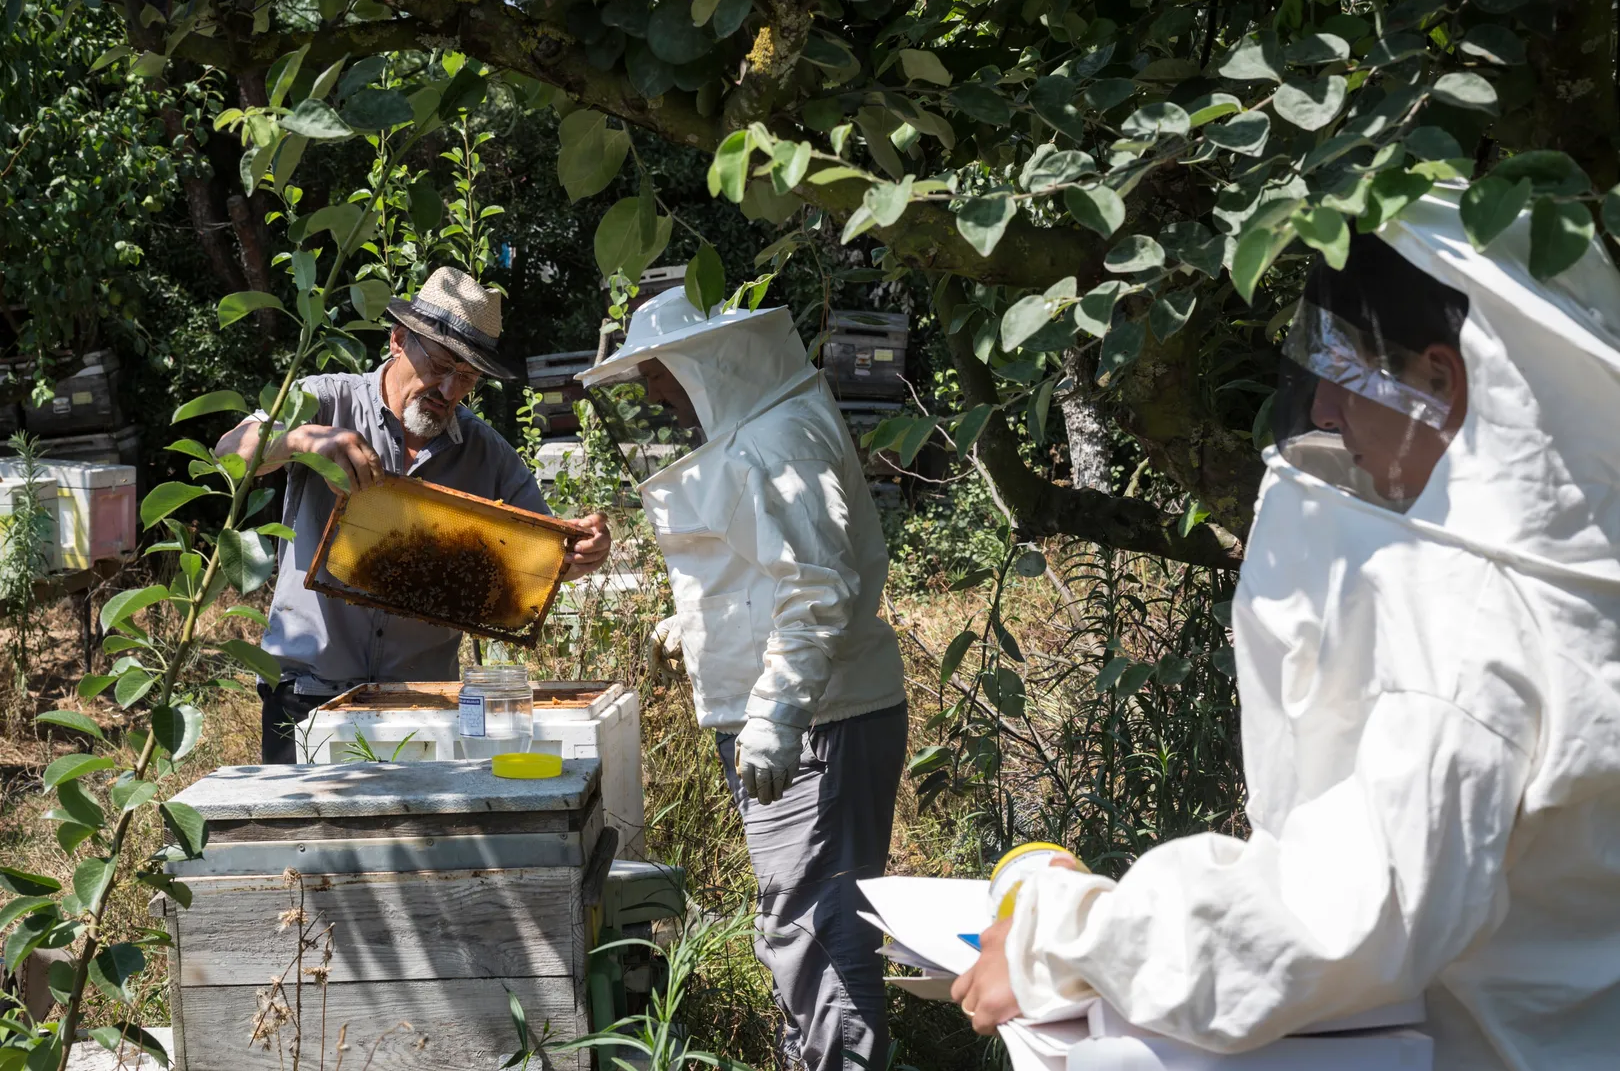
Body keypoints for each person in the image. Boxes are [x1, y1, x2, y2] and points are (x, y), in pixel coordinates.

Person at [951, 192, 1620, 1069]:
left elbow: (1343, 918)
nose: (1329, 416)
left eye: (1345, 372)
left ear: (1438, 381)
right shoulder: (1574, 587)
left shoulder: (1473, 633)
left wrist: (1061, 940)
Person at [578, 289, 909, 1071]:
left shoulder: (778, 439)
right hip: (816, 720)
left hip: (821, 724)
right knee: (801, 926)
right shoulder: (765, 430)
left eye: (659, 373)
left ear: (706, 363)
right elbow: (767, 569)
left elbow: (819, 591)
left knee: (818, 933)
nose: (655, 393)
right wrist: (694, 626)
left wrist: (777, 717)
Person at [215, 267, 612, 762]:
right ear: (399, 340)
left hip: (420, 702)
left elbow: (548, 554)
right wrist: (301, 440)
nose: (448, 389)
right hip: (306, 693)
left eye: (466, 376)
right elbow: (229, 452)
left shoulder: (487, 453)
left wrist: (581, 551)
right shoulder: (326, 399)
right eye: (441, 365)